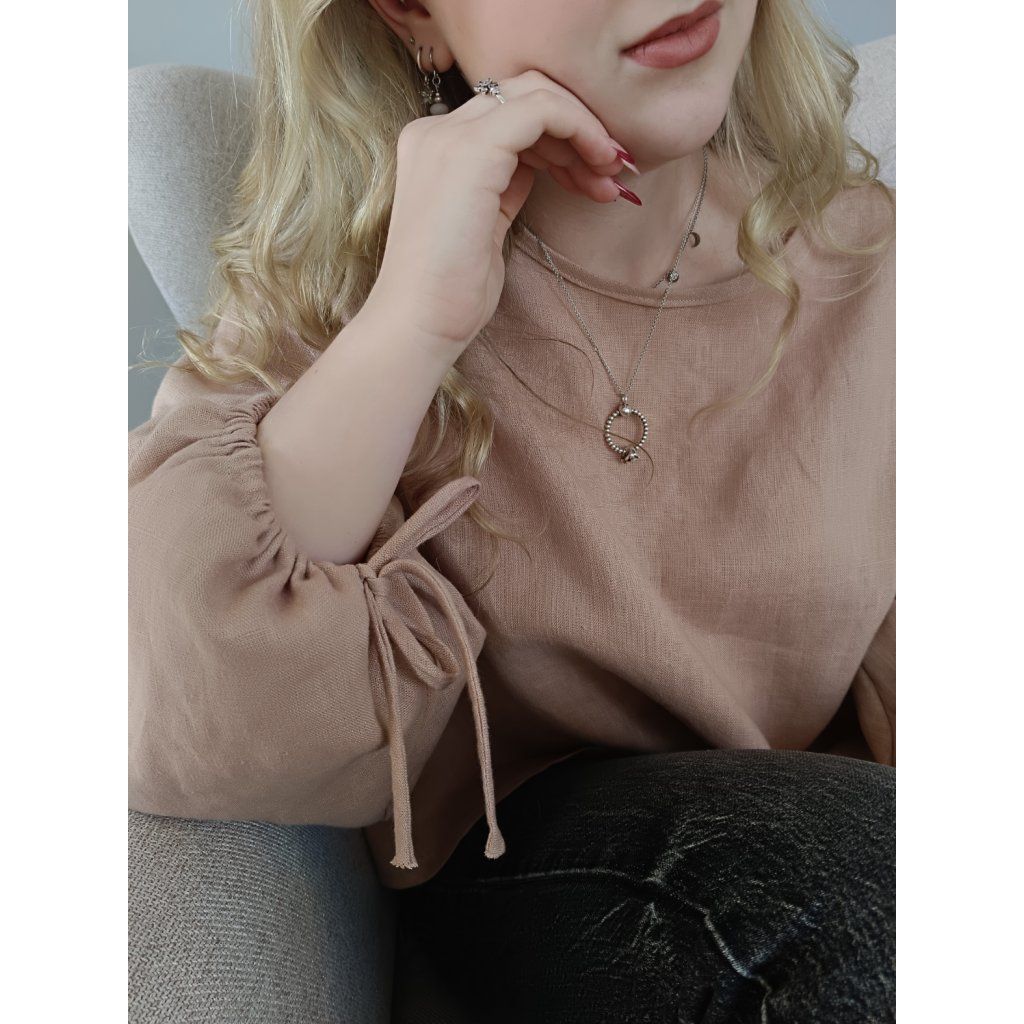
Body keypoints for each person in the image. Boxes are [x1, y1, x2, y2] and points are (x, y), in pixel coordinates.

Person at [128, 0, 895, 1020]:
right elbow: (183, 711)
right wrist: (417, 319)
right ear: (414, 12)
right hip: (548, 884)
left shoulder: (877, 265)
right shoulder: (335, 304)